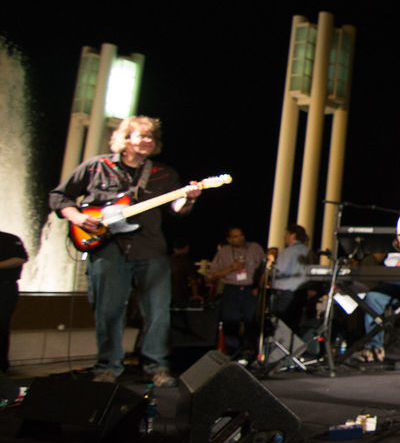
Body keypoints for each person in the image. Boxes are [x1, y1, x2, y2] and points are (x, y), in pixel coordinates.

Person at [49, 116, 202, 386]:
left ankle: (156, 367)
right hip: (108, 248)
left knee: (157, 312)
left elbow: (176, 210)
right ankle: (107, 367)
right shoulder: (97, 166)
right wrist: (77, 218)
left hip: (150, 248)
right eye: (141, 136)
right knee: (108, 311)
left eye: (151, 138)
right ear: (125, 139)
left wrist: (187, 200)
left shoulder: (164, 174)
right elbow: (60, 197)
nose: (147, 141)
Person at [207, 227, 267, 361]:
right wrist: (232, 268)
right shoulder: (223, 252)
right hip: (231, 289)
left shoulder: (254, 248)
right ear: (229, 239)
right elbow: (212, 275)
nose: (239, 238)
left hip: (250, 289)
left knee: (251, 321)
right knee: (230, 321)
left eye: (241, 235)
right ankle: (233, 352)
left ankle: (250, 352)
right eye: (235, 236)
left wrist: (258, 286)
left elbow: (263, 269)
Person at [269, 224, 311, 324]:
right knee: (294, 323)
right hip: (301, 292)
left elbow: (279, 271)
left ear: (293, 235)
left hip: (285, 294)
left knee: (281, 323)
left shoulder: (287, 252)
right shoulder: (308, 251)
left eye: (286, 234)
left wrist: (270, 271)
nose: (284, 237)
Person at [0, 230, 28, 374]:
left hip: (4, 287)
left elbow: (20, 258)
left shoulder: (8, 238)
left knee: (1, 325)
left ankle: (2, 366)